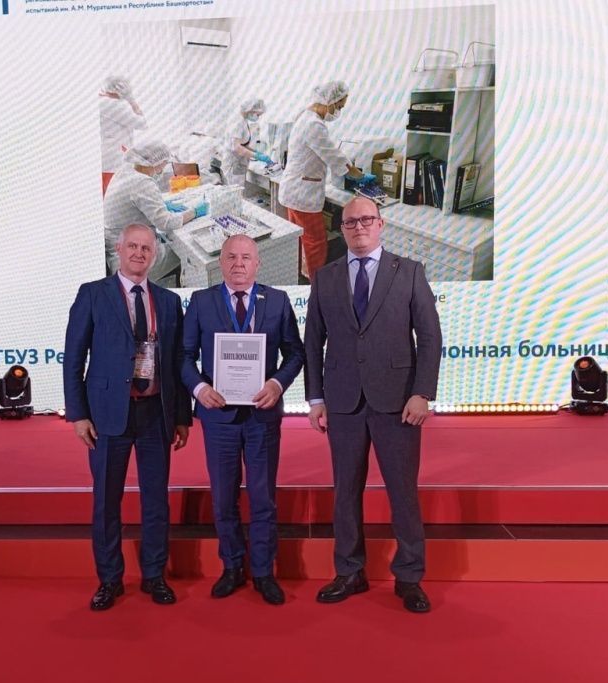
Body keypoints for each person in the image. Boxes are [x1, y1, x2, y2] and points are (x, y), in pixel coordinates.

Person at [304, 197, 442, 613]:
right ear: (342, 229)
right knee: (345, 492)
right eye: (350, 222)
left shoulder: (409, 272)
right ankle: (349, 571)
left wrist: (422, 392)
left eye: (366, 219)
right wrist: (315, 398)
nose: (359, 227)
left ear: (381, 224)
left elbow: (429, 337)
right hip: (343, 401)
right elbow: (313, 342)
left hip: (398, 401)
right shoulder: (325, 277)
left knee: (403, 492)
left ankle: (409, 576)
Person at [64, 223, 192, 611]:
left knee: (156, 500)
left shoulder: (168, 301)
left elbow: (176, 363)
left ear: (155, 254)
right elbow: (74, 358)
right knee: (107, 500)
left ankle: (154, 575)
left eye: (146, 248)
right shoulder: (92, 294)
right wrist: (78, 414)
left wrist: (182, 416)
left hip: (156, 414)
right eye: (132, 246)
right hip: (107, 415)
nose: (139, 253)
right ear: (118, 250)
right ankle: (109, 579)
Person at [182, 235, 304, 605]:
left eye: (246, 257)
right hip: (218, 416)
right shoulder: (201, 302)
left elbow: (295, 353)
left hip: (261, 416)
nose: (239, 263)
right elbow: (183, 356)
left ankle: (264, 571)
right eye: (231, 257)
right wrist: (199, 388)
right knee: (223, 497)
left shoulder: (277, 301)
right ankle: (232, 566)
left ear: (258, 263)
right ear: (220, 262)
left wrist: (277, 384)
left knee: (263, 497)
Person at [278, 80, 363, 279]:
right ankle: (317, 285)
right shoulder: (314, 125)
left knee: (302, 239)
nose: (338, 111)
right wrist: (358, 175)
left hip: (294, 190)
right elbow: (333, 156)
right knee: (316, 241)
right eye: (339, 106)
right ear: (329, 101)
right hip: (303, 195)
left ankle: (304, 276)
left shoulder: (305, 116)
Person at [102, 140, 209, 282]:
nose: (163, 168)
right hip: (131, 259)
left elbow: (137, 202)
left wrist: (163, 204)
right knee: (187, 253)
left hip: (118, 250)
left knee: (171, 243)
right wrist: (195, 212)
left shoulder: (125, 172)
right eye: (164, 163)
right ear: (155, 162)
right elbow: (166, 222)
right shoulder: (142, 182)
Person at [99, 76, 147, 195]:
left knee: (107, 194)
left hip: (106, 157)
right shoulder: (114, 105)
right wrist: (131, 100)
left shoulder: (101, 101)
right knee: (115, 195)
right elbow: (142, 124)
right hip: (114, 159)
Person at [221, 98, 272, 188]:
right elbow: (237, 148)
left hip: (238, 163)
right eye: (257, 114)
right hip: (233, 164)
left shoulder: (243, 121)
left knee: (239, 190)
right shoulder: (238, 123)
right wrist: (257, 156)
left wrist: (255, 152)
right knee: (235, 191)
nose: (258, 117)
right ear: (250, 110)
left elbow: (242, 144)